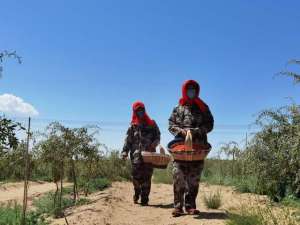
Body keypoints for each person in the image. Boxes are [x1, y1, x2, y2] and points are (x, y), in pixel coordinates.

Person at [168, 80, 214, 217]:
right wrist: (181, 131)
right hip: (180, 147)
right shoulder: (178, 108)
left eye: (194, 89)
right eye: (189, 89)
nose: (191, 92)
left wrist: (198, 131)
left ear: (197, 91)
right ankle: (177, 207)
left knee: (193, 180)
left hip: (198, 148)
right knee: (178, 176)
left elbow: (210, 124)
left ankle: (190, 206)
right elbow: (170, 125)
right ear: (184, 91)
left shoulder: (203, 107)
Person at [122, 101, 161, 206]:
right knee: (136, 177)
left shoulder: (152, 124)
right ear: (134, 112)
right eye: (137, 110)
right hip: (136, 157)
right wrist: (124, 152)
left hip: (149, 155)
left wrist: (154, 144)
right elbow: (128, 141)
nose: (140, 112)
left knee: (147, 177)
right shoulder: (132, 126)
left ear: (145, 110)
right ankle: (137, 192)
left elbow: (158, 136)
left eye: (142, 109)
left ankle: (145, 198)